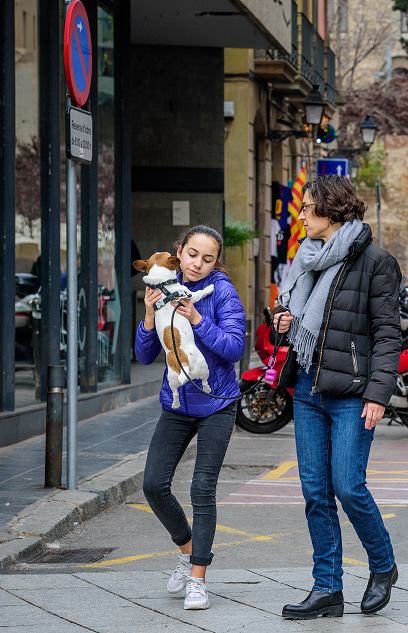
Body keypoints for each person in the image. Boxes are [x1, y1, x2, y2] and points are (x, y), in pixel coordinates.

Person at [273, 175, 401, 619]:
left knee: (348, 486)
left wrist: (379, 394)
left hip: (351, 393)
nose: (301, 215)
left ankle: (383, 566)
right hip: (308, 387)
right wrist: (283, 323)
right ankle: (327, 587)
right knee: (315, 494)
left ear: (333, 210)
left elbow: (388, 334)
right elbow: (290, 320)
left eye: (307, 208)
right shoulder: (304, 258)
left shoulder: (375, 262)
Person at [136, 226, 246, 610]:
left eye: (208, 258)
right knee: (153, 485)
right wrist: (149, 313)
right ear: (178, 252)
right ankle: (187, 550)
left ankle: (198, 578)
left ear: (217, 262)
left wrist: (198, 318)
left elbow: (234, 348)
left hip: (217, 403)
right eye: (192, 254)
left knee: (202, 488)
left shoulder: (221, 292)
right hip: (178, 404)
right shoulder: (163, 286)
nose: (198, 264)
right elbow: (146, 356)